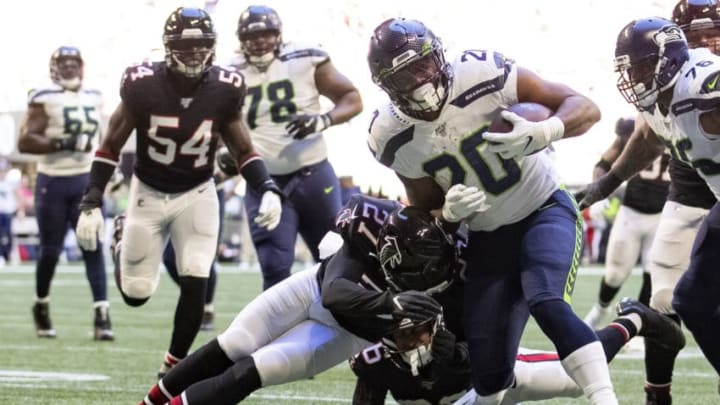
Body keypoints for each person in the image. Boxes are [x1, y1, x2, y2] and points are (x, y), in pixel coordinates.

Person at [366, 18, 616, 405]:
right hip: (487, 235)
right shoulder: (390, 135)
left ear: (439, 57)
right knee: (487, 364)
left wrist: (547, 130)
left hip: (543, 208)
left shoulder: (482, 72)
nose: (417, 81)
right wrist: (447, 214)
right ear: (386, 86)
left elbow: (585, 108)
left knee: (547, 302)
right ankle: (626, 329)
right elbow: (424, 213)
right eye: (402, 77)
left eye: (421, 65)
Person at [75, 7, 283, 378]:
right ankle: (121, 239)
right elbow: (110, 144)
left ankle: (171, 369)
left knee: (196, 275)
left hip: (197, 190)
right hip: (148, 192)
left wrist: (266, 186)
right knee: (136, 295)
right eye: (184, 47)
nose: (193, 54)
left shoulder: (226, 87)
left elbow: (242, 148)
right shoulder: (142, 84)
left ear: (213, 47)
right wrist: (91, 199)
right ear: (168, 48)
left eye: (201, 46)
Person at [137, 196, 448, 405]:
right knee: (233, 344)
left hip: (348, 334)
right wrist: (390, 303)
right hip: (310, 290)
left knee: (253, 370)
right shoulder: (369, 227)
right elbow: (334, 293)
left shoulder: (445, 274)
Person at [575, 4, 720, 402]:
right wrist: (607, 183)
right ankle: (658, 393)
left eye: (716, 31)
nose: (709, 41)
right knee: (675, 298)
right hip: (693, 190)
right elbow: (649, 137)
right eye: (700, 32)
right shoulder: (662, 93)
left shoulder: (704, 79)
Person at [226, 5, 363, 290]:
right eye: (251, 36)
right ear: (240, 40)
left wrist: (323, 120)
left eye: (265, 33)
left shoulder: (305, 57)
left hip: (313, 174)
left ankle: (341, 326)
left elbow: (351, 98)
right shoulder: (230, 74)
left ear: (278, 34)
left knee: (334, 259)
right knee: (274, 267)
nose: (259, 41)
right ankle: (281, 333)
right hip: (263, 181)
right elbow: (219, 122)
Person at [17, 45, 113, 341]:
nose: (70, 68)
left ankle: (102, 313)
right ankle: (41, 305)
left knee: (92, 245)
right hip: (53, 181)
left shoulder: (95, 96)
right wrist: (63, 143)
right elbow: (25, 142)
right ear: (54, 67)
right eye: (64, 63)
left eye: (74, 62)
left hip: (85, 180)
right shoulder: (43, 96)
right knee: (50, 250)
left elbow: (105, 139)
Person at [584, 117, 671, 329]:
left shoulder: (687, 121)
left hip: (665, 214)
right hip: (631, 212)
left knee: (654, 274)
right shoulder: (634, 126)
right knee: (614, 274)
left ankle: (641, 327)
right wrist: (599, 191)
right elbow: (603, 163)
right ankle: (599, 311)